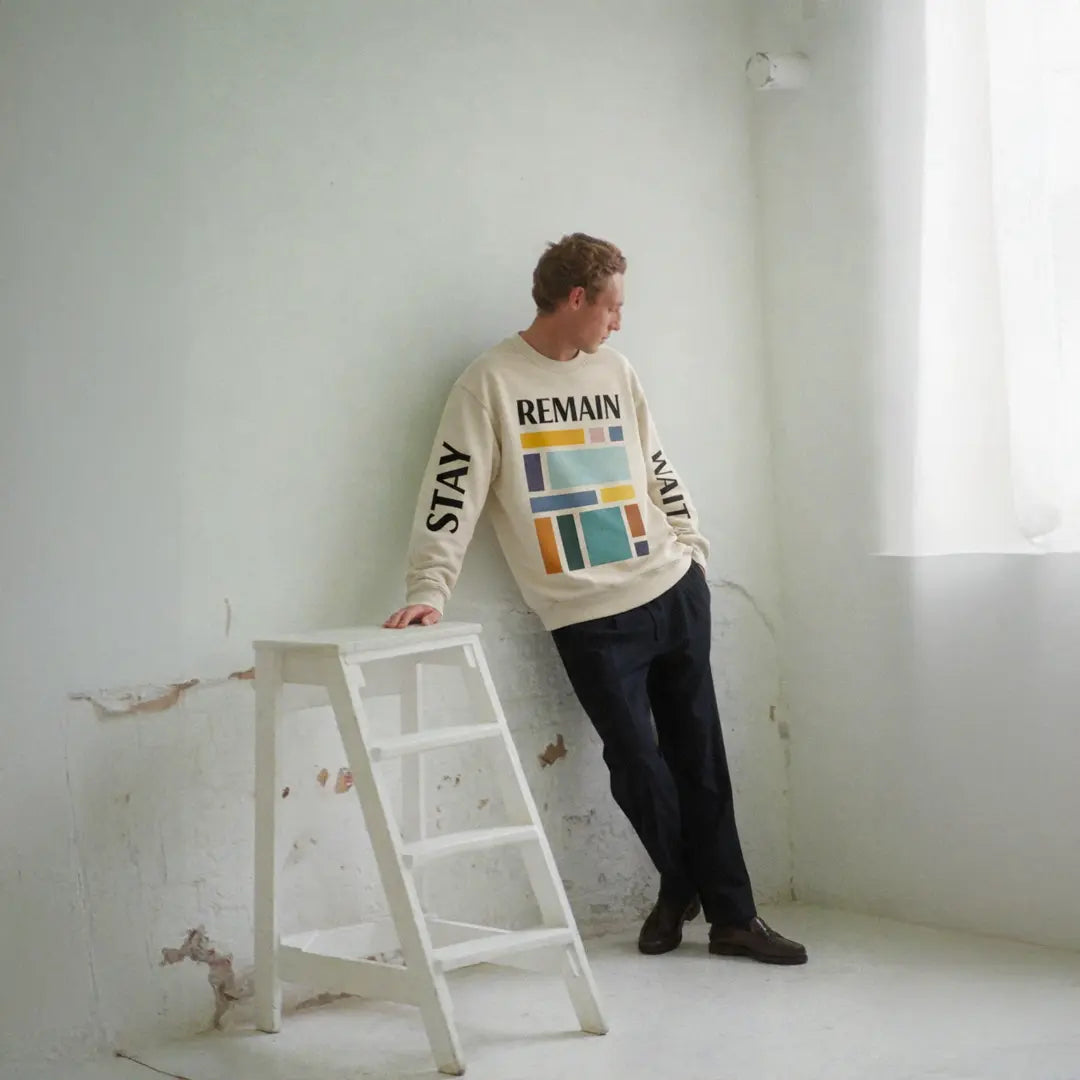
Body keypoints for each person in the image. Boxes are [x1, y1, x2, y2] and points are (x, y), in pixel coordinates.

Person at [384, 233, 806, 965]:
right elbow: (452, 490)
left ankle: (733, 920)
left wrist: (692, 547)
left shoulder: (616, 371)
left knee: (700, 760)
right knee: (636, 763)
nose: (618, 322)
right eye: (613, 307)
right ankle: (683, 885)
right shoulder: (490, 384)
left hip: (670, 587)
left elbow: (655, 464)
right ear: (576, 298)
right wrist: (430, 588)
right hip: (585, 615)